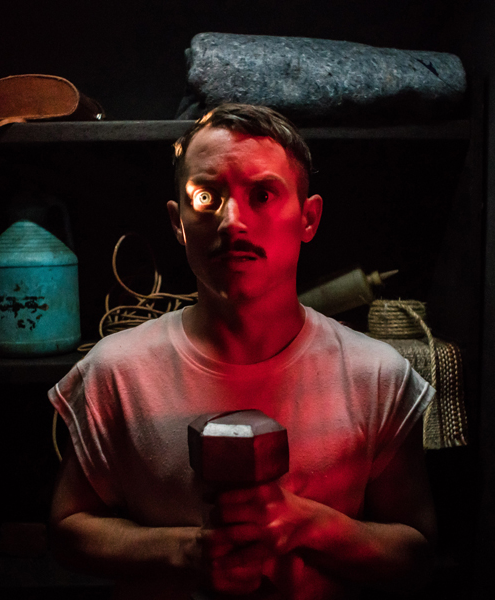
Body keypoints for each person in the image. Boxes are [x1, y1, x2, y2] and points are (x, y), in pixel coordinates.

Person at [48, 103, 437, 599]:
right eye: (206, 196)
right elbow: (67, 530)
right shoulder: (116, 372)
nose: (232, 221)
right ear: (178, 222)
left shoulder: (377, 376)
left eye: (263, 195)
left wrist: (304, 524)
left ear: (308, 218)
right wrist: (188, 552)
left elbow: (416, 552)